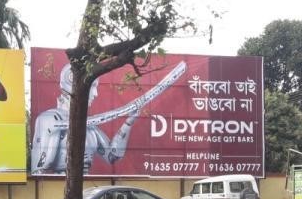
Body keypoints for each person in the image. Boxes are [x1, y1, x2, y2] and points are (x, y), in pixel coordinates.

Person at [30, 61, 186, 175]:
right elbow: (39, 170)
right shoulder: (50, 119)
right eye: (92, 87)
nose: (96, 94)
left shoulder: (90, 128)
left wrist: (128, 122)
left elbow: (112, 155)